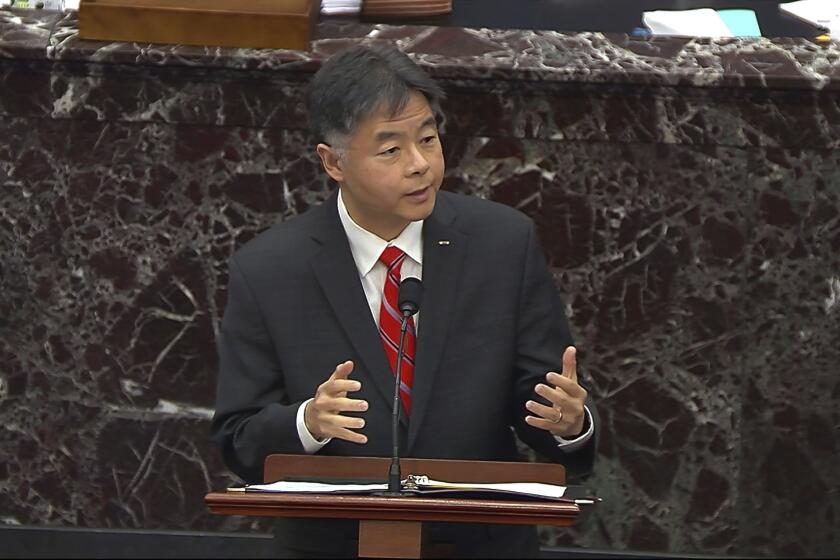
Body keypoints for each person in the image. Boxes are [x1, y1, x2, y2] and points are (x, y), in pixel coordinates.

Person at [212, 44, 598, 558]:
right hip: (334, 545)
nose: (420, 165)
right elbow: (237, 439)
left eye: (428, 140)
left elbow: (545, 407)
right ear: (333, 162)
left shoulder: (502, 244)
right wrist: (307, 421)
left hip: (480, 542)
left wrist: (570, 425)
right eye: (390, 150)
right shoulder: (270, 269)